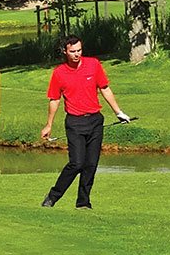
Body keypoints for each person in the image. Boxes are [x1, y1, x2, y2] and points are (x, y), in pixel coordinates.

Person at [39, 36, 131, 209]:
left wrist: (118, 112)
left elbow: (105, 88)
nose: (76, 54)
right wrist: (49, 124)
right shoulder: (59, 73)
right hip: (74, 123)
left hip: (95, 121)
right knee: (77, 163)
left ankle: (83, 202)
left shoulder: (93, 64)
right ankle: (53, 196)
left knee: (91, 165)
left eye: (79, 50)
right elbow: (54, 100)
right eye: (72, 51)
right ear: (65, 52)